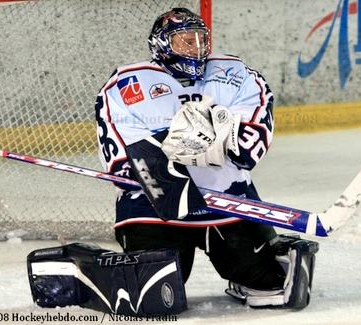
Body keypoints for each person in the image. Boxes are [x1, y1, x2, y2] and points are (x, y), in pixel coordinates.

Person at [95, 7, 318, 310]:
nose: (196, 49)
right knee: (150, 299)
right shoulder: (126, 84)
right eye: (185, 41)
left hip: (227, 200)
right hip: (156, 206)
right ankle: (89, 269)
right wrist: (183, 142)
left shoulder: (235, 73)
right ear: (161, 44)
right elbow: (124, 162)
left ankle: (251, 261)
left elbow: (250, 145)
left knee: (272, 283)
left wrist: (214, 137)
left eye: (201, 40)